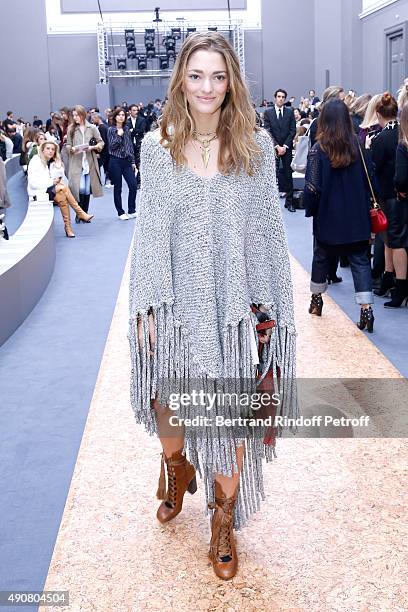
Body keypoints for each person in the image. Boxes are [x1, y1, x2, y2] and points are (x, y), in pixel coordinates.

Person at [128, 32, 297, 581]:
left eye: (218, 76)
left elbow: (269, 237)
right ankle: (176, 468)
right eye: (197, 75)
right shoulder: (157, 150)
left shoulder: (251, 150)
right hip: (176, 307)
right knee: (167, 407)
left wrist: (269, 314)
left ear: (232, 82)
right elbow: (150, 235)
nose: (207, 87)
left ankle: (222, 521)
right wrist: (149, 310)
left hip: (235, 315)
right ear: (181, 79)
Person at [304, 99, 374, 331]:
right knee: (360, 261)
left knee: (321, 257)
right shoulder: (359, 147)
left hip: (328, 216)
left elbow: (312, 187)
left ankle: (316, 300)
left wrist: (311, 209)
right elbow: (368, 181)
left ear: (324, 120)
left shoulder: (318, 149)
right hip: (357, 217)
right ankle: (366, 310)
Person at [371, 92, 408, 306]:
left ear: (378, 114)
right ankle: (389, 278)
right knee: (392, 241)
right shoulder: (398, 136)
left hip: (390, 196)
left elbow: (375, 171)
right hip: (396, 195)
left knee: (393, 241)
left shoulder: (381, 139)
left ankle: (394, 282)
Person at [27, 141, 93, 237]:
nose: (50, 151)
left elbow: (57, 175)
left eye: (53, 149)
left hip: (45, 191)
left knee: (62, 196)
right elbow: (33, 184)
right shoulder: (36, 161)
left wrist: (57, 165)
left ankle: (69, 227)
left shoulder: (46, 162)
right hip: (36, 194)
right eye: (48, 148)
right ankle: (80, 214)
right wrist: (52, 182)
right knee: (63, 188)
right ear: (42, 150)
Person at [66, 105, 104, 222]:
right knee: (80, 188)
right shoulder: (71, 129)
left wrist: (93, 147)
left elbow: (101, 142)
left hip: (89, 162)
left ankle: (84, 214)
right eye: (74, 115)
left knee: (87, 190)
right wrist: (71, 149)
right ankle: (80, 213)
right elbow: (67, 145)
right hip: (77, 162)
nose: (75, 118)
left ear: (82, 115)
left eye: (77, 115)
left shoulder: (92, 128)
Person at [263, 88, 296, 211]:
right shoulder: (268, 113)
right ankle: (270, 205)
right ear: (275, 98)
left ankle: (290, 202)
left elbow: (293, 130)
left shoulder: (289, 112)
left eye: (283, 97)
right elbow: (267, 131)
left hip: (286, 148)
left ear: (285, 99)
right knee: (272, 175)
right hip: (273, 148)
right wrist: (276, 146)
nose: (281, 99)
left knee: (288, 175)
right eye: (279, 96)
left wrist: (285, 146)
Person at [107, 107, 137, 220]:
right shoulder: (111, 130)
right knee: (118, 187)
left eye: (123, 115)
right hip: (115, 161)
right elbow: (111, 147)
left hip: (126, 161)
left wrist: (133, 161)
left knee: (133, 185)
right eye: (119, 115)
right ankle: (120, 212)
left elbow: (129, 146)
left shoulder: (127, 128)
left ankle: (132, 209)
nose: (121, 117)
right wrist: (119, 136)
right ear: (115, 117)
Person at [392, 102, 408, 307]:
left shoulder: (403, 146)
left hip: (405, 201)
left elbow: (401, 179)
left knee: (400, 243)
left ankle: (401, 290)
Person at [126, 104, 148, 188]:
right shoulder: (127, 121)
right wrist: (134, 131)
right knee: (131, 163)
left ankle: (138, 181)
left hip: (139, 144)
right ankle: (133, 181)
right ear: (130, 111)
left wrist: (132, 131)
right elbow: (126, 132)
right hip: (130, 144)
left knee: (140, 163)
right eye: (134, 110)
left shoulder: (142, 120)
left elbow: (142, 130)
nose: (136, 112)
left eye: (136, 110)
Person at [91, 112, 111, 186]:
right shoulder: (104, 126)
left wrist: (98, 152)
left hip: (104, 151)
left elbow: (103, 141)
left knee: (99, 166)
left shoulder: (102, 128)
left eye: (93, 119)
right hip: (105, 151)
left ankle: (100, 182)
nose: (92, 121)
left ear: (97, 118)